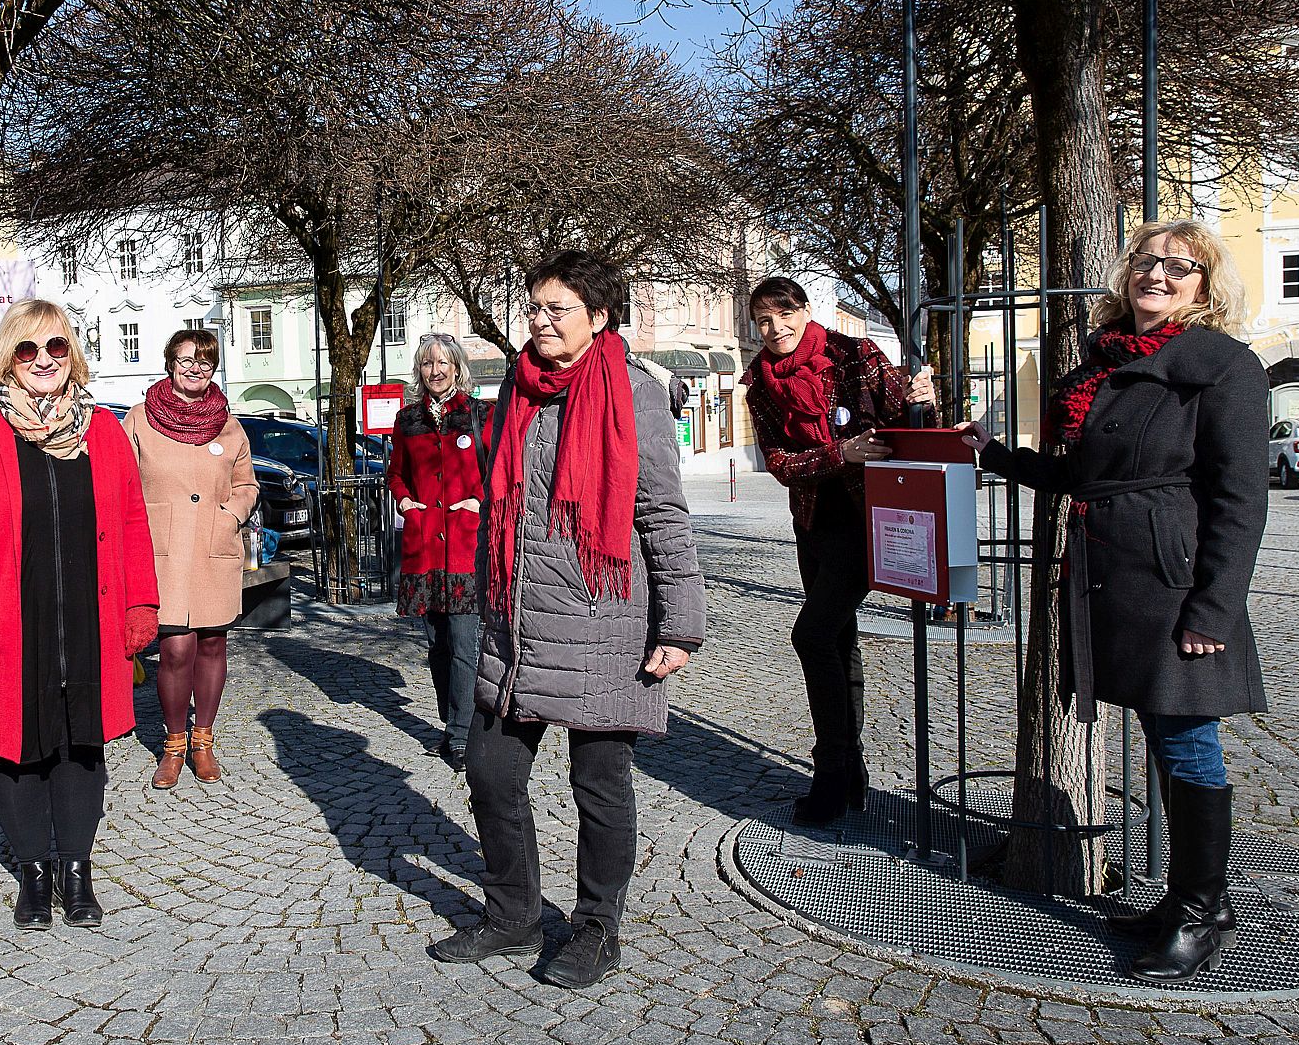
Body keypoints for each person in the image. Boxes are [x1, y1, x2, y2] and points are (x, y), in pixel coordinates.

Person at [957, 219, 1266, 983]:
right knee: (1167, 739)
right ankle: (1196, 900)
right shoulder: (1107, 362)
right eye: (1146, 260)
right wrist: (992, 455)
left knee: (1190, 741)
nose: (1155, 274)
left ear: (1205, 285)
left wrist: (1213, 610)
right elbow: (1083, 478)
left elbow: (1241, 500)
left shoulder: (1222, 365)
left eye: (1178, 266)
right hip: (1113, 576)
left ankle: (1199, 912)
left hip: (1176, 580)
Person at [432, 250, 706, 990]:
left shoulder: (634, 395)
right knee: (490, 773)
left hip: (602, 621)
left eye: (558, 308)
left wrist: (679, 627)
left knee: (601, 783)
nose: (542, 320)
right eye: (535, 307)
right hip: (516, 623)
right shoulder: (515, 390)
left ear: (600, 316)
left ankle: (595, 926)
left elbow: (661, 516)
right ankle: (515, 913)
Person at [0, 300, 159, 932]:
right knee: (19, 751)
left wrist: (141, 602)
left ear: (72, 356)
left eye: (56, 348)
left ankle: (77, 870)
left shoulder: (103, 430)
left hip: (88, 617)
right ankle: (32, 872)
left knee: (82, 748)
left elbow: (133, 521)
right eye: (28, 350)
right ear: (8, 358)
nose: (44, 362)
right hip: (8, 626)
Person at [740, 277, 938, 827]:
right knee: (838, 639)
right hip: (814, 523)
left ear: (805, 311)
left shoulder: (851, 353)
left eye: (784, 314)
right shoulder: (758, 382)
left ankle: (830, 774)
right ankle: (853, 777)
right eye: (763, 319)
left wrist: (921, 397)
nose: (776, 327)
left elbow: (902, 409)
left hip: (868, 517)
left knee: (813, 634)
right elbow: (779, 463)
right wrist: (838, 453)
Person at [122, 328, 258, 788]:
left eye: (204, 361)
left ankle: (204, 741)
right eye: (186, 360)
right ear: (169, 363)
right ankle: (174, 744)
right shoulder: (140, 419)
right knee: (176, 647)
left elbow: (247, 485)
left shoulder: (229, 425)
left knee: (213, 643)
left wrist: (232, 515)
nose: (195, 368)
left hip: (214, 548)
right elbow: (120, 482)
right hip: (163, 550)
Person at [388, 332, 487, 771]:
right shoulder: (407, 419)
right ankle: (451, 724)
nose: (436, 370)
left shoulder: (477, 415)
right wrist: (407, 503)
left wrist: (477, 501)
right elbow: (397, 475)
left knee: (465, 643)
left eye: (443, 362)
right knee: (437, 645)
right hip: (425, 545)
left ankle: (462, 736)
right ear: (420, 370)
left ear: (457, 366)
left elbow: (497, 470)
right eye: (428, 363)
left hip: (464, 546)